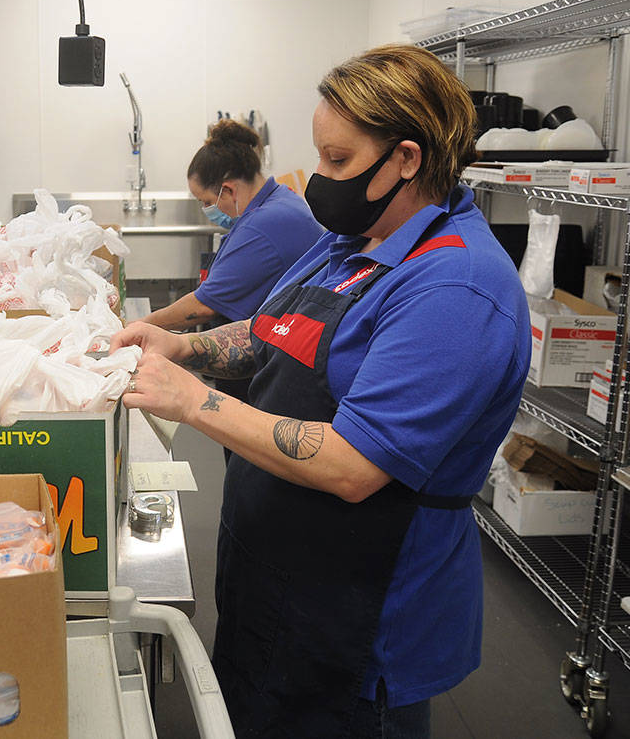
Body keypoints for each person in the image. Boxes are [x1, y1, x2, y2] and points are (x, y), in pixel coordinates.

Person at [112, 44, 531, 738]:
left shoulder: (454, 288)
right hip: (276, 579)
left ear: (406, 158)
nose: (320, 180)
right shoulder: (354, 238)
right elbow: (274, 330)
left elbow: (352, 466)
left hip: (360, 616)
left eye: (338, 161)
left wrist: (193, 400)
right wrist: (185, 345)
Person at [140, 119, 322, 332]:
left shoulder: (263, 225)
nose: (207, 209)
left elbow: (202, 307)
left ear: (228, 191)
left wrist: (138, 326)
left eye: (206, 201)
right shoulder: (280, 199)